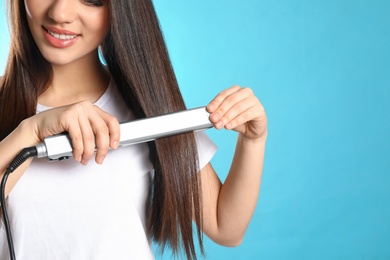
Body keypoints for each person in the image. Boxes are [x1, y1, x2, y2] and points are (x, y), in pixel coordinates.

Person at [0, 0, 267, 259]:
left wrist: (254, 141)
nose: (60, 13)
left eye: (92, 0)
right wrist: (31, 131)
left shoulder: (147, 105)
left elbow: (226, 228)